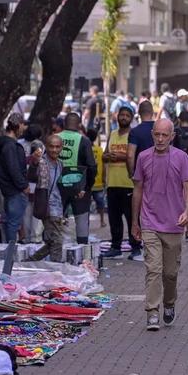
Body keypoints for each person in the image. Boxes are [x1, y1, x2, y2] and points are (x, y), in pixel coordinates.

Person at [131, 119, 188, 331]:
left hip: (174, 223)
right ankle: (152, 312)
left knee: (170, 273)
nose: (160, 139)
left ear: (172, 136)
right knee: (153, 269)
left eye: (164, 135)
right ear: (152, 134)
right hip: (149, 221)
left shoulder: (182, 157)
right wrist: (135, 222)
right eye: (157, 135)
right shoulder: (143, 157)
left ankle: (169, 303)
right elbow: (138, 189)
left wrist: (186, 212)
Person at [103, 105, 141, 261]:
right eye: (121, 115)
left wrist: (120, 155)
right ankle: (115, 247)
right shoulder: (112, 134)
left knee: (132, 218)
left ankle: (136, 247)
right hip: (113, 183)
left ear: (131, 118)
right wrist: (108, 156)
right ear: (117, 117)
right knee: (114, 218)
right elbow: (104, 155)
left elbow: (135, 156)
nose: (123, 118)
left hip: (129, 183)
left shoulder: (134, 135)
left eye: (127, 115)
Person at [58, 112, 99, 250]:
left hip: (58, 186)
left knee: (56, 220)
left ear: (64, 124)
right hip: (79, 187)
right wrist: (88, 186)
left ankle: (55, 252)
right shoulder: (84, 140)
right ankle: (82, 254)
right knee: (81, 219)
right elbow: (92, 166)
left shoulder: (55, 138)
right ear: (79, 125)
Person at [27, 134, 66, 263]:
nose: (54, 150)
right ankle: (56, 269)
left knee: (52, 242)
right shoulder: (41, 162)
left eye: (57, 147)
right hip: (47, 207)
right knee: (57, 241)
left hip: (58, 207)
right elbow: (32, 176)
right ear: (46, 147)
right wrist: (34, 163)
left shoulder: (61, 164)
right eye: (51, 147)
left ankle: (31, 261)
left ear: (61, 148)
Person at [0, 116, 30, 244]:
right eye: (23, 125)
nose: (24, 128)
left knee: (14, 222)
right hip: (14, 190)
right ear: (18, 125)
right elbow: (13, 168)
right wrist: (23, 185)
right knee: (13, 224)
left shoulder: (6, 144)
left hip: (10, 189)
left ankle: (11, 250)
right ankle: (11, 252)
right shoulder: (10, 146)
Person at [127, 100, 156, 174]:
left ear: (139, 113)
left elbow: (130, 155)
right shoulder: (161, 129)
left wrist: (131, 174)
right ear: (152, 112)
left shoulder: (134, 132)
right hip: (160, 171)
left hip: (141, 173)